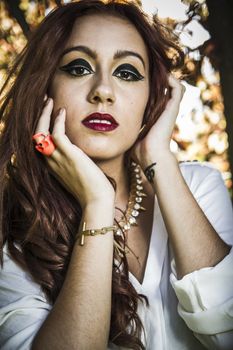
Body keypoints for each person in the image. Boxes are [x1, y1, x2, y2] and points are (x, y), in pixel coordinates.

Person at [0, 0, 233, 349]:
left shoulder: (200, 186)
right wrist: (97, 202)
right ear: (45, 90)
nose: (103, 91)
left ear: (151, 98)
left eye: (127, 73)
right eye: (78, 67)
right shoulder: (14, 229)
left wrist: (159, 158)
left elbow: (225, 333)